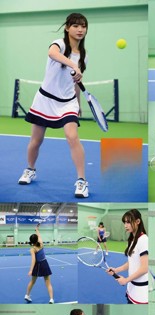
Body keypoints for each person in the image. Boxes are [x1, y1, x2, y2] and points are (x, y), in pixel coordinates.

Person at [18, 13, 89, 198]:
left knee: (72, 136)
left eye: (83, 26)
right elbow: (52, 53)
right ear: (67, 28)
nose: (80, 29)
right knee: (36, 140)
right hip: (45, 99)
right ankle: (30, 169)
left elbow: (76, 82)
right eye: (75, 26)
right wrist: (73, 63)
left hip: (67, 102)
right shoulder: (60, 43)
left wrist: (78, 104)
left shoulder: (84, 56)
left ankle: (81, 181)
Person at [106, 209, 148, 304]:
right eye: (124, 222)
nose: (125, 225)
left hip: (141, 293)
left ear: (138, 221)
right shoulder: (133, 240)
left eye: (129, 222)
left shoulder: (143, 240)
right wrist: (116, 270)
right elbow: (132, 262)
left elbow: (144, 268)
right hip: (132, 289)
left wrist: (126, 280)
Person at [25, 225, 54, 304]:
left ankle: (27, 295)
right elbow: (39, 235)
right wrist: (37, 229)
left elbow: (33, 260)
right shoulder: (41, 244)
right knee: (48, 283)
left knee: (32, 281)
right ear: (37, 239)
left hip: (37, 266)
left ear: (31, 241)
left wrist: (31, 270)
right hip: (44, 264)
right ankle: (51, 299)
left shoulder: (32, 249)